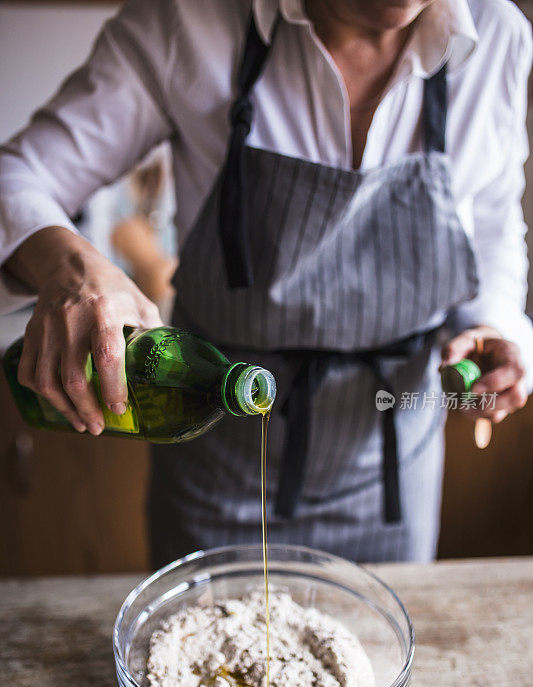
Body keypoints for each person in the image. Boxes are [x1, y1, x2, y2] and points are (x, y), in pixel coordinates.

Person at [0, 0, 531, 566]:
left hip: (392, 461)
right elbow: (19, 176)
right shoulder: (187, 22)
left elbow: (493, 217)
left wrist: (495, 320)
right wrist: (69, 265)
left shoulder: (498, 35)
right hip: (217, 460)